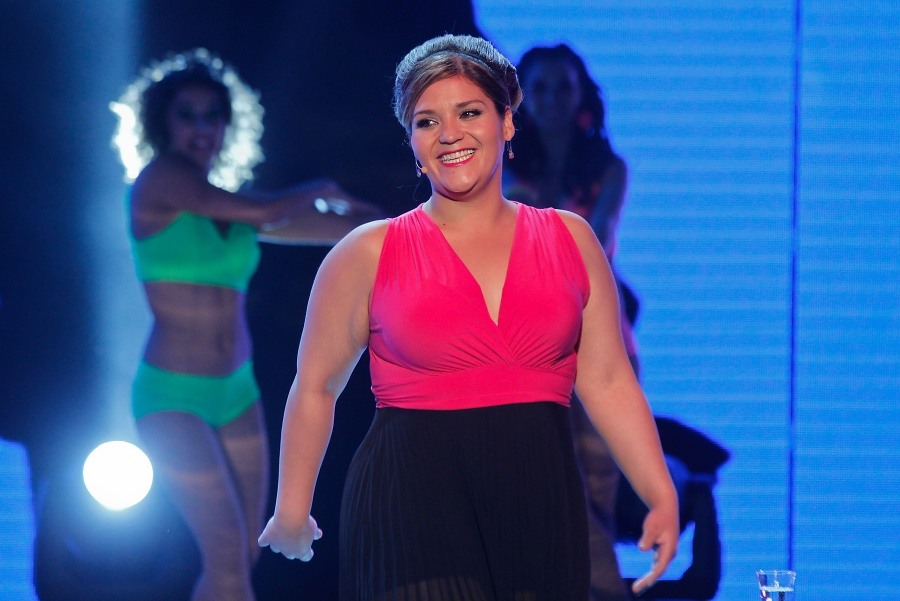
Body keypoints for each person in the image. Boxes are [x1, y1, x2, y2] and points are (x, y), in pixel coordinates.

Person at [258, 34, 679, 600]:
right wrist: (291, 508)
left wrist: (659, 494)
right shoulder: (367, 252)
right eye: (427, 121)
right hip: (412, 509)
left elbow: (607, 380)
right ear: (412, 140)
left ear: (507, 122)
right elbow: (315, 386)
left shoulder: (571, 240)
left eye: (469, 112)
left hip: (540, 502)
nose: (449, 133)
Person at [110, 48, 355, 601]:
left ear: (228, 124)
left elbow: (339, 229)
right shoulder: (160, 182)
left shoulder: (230, 208)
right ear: (162, 123)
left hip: (237, 392)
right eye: (187, 115)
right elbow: (270, 212)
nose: (201, 128)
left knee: (242, 555)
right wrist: (319, 187)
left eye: (212, 115)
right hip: (172, 397)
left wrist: (414, 217)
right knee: (224, 551)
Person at [504, 43, 636, 601]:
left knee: (599, 485)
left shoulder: (608, 168)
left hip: (600, 336)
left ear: (581, 94)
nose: (553, 99)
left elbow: (598, 243)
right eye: (539, 88)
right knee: (553, 481)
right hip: (531, 341)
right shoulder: (502, 163)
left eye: (563, 87)